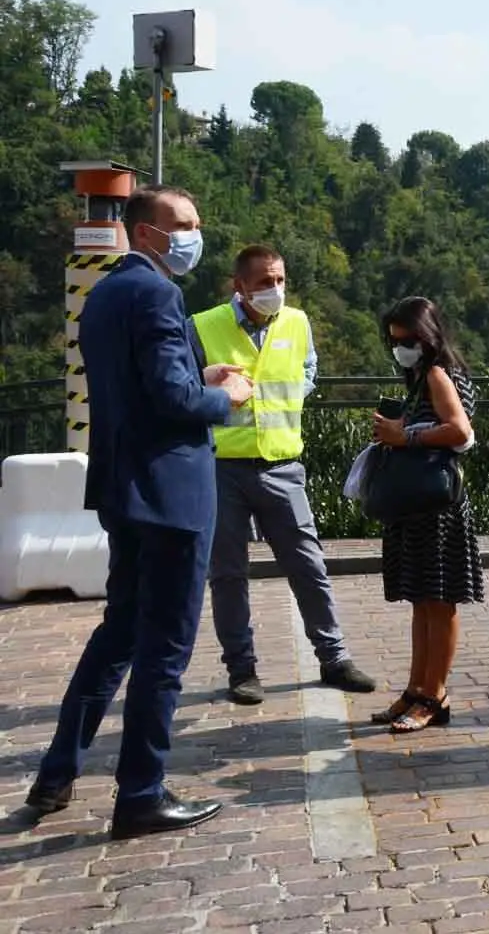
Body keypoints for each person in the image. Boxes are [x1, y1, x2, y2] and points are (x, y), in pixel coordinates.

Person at [26, 185, 253, 839]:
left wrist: (196, 381)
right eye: (181, 223)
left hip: (124, 490)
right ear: (145, 230)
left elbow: (143, 384)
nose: (192, 234)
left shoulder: (107, 293)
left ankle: (58, 769)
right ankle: (142, 792)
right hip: (170, 493)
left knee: (119, 632)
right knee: (165, 648)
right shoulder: (158, 292)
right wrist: (228, 394)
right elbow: (174, 401)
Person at [192, 246, 376, 706]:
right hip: (222, 467)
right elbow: (186, 386)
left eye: (279, 279)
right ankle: (242, 668)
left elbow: (308, 369)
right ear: (239, 285)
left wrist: (290, 395)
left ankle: (333, 658)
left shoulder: (297, 321)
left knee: (308, 565)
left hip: (281, 463)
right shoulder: (202, 325)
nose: (274, 289)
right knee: (229, 574)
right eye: (263, 282)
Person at [369, 296, 482, 733]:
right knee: (422, 601)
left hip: (437, 508)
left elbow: (460, 431)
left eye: (409, 339)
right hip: (420, 506)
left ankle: (434, 694)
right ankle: (417, 688)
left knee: (439, 602)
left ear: (429, 336)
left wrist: (405, 436)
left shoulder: (437, 374)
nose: (401, 348)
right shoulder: (423, 376)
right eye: (395, 341)